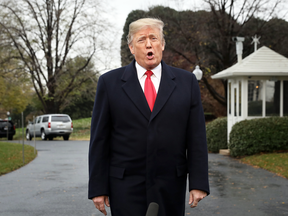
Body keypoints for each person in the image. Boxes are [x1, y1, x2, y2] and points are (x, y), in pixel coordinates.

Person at [88, 17, 209, 216]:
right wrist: (98, 188)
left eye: (153, 38)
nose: (149, 44)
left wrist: (198, 182)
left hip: (170, 186)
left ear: (162, 44)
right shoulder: (109, 83)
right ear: (131, 48)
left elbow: (196, 136)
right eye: (141, 40)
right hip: (125, 188)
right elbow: (100, 139)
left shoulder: (186, 82)